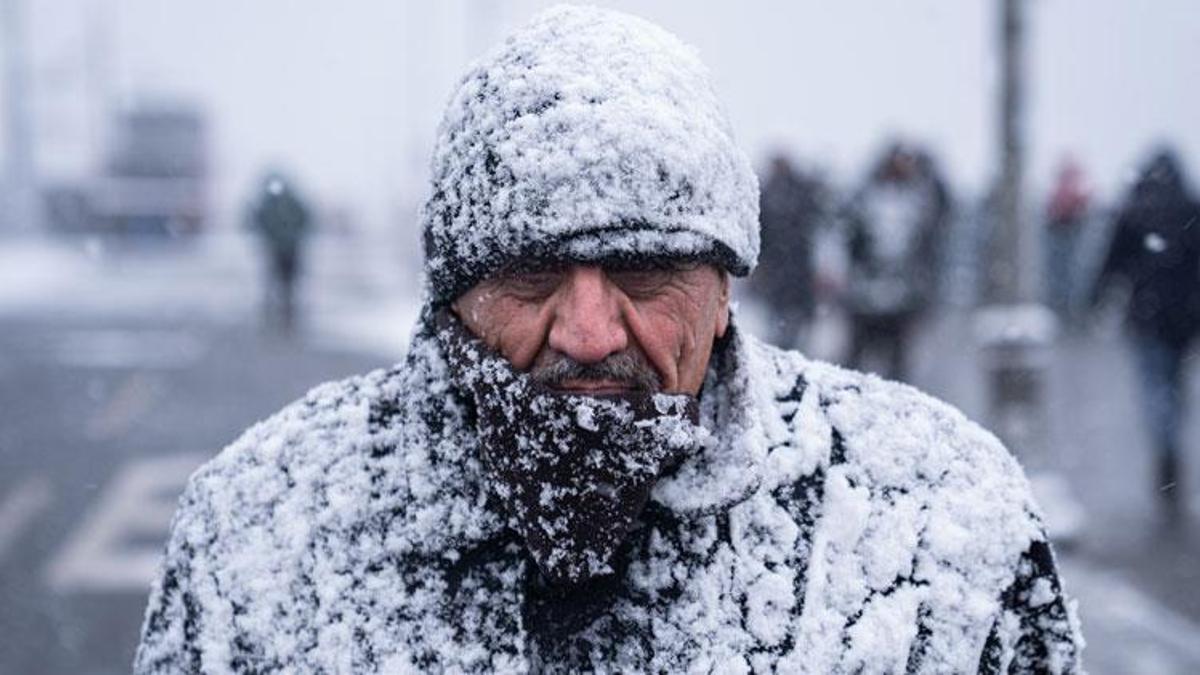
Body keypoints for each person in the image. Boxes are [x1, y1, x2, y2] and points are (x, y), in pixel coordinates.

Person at [135, 7, 1081, 672]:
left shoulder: (938, 532)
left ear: (721, 290)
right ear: (452, 298)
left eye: (644, 271)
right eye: (529, 273)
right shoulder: (256, 537)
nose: (588, 333)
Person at [1091, 148, 1200, 518]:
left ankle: (1164, 443)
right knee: (1174, 385)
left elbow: (1112, 262)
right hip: (1185, 319)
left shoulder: (1136, 210)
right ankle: (1171, 440)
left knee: (1154, 386)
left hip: (1148, 316)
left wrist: (1095, 297)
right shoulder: (1190, 208)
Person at [842, 141, 950, 382]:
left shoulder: (921, 200)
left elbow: (932, 242)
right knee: (858, 363)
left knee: (898, 365)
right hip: (867, 296)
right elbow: (852, 240)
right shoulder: (867, 198)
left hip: (903, 297)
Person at [749, 153, 825, 350]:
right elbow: (761, 231)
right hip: (779, 267)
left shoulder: (799, 192)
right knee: (778, 316)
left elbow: (813, 227)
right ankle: (782, 343)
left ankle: (792, 344)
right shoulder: (767, 194)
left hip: (797, 266)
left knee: (795, 317)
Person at [249, 171, 311, 331]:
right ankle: (276, 311)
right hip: (276, 247)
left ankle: (286, 311)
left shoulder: (290, 202)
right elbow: (257, 220)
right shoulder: (269, 203)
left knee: (287, 281)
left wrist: (295, 235)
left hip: (290, 247)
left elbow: (306, 219)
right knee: (275, 279)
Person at [1044, 158, 1091, 319]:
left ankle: (1065, 308)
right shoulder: (1074, 191)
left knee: (1063, 275)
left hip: (1065, 234)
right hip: (1065, 235)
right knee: (1065, 275)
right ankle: (1067, 309)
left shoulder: (1063, 191)